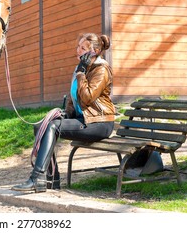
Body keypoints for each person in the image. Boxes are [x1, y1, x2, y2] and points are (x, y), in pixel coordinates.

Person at [11, 33, 116, 193]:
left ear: (94, 51)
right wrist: (66, 114)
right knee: (41, 126)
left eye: (82, 48)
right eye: (78, 46)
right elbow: (74, 98)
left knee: (52, 127)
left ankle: (37, 178)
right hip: (84, 119)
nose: (78, 50)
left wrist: (81, 74)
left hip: (99, 123)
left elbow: (88, 97)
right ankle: (52, 180)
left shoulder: (101, 69)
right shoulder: (80, 68)